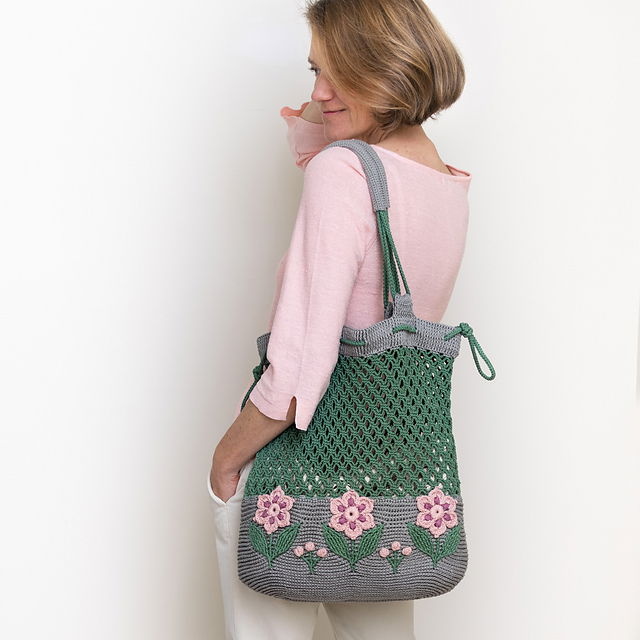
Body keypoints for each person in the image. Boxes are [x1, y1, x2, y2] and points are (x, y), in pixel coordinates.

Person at [207, 1, 471, 637]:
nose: (319, 93)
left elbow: (301, 365)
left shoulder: (343, 172)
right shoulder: (444, 180)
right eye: (314, 71)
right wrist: (331, 111)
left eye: (338, 72)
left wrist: (224, 460)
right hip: (389, 473)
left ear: (386, 68)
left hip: (298, 465)